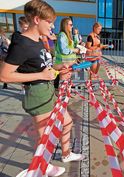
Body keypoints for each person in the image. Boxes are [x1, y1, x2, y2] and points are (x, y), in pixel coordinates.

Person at [0, 1, 84, 176]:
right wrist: (41, 76)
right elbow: (4, 76)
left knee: (66, 122)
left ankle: (66, 154)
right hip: (37, 96)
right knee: (45, 138)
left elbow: (42, 67)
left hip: (47, 91)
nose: (53, 26)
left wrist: (58, 69)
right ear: (37, 20)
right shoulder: (22, 43)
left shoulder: (37, 40)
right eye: (50, 22)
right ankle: (41, 168)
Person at [54, 17, 80, 89]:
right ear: (65, 25)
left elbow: (71, 46)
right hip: (63, 64)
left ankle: (67, 95)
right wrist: (74, 50)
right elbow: (64, 50)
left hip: (68, 63)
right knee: (63, 83)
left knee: (68, 82)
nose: (72, 26)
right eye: (71, 25)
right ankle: (62, 97)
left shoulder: (67, 35)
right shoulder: (62, 35)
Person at [11, 16, 29, 94]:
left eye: (28, 27)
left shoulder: (29, 34)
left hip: (28, 59)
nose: (26, 29)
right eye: (25, 27)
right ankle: (23, 89)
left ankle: (26, 89)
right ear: (20, 26)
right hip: (20, 59)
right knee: (22, 74)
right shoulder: (16, 35)